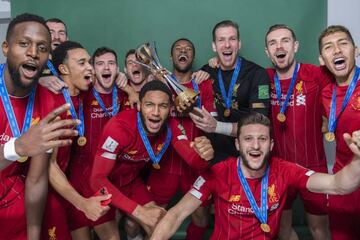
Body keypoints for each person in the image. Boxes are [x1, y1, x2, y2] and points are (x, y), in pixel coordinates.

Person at [151, 112, 360, 240]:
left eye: (262, 139)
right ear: (238, 144)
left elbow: (338, 185)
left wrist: (358, 159)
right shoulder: (218, 172)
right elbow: (175, 215)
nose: (255, 145)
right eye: (248, 139)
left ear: (271, 145)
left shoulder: (286, 170)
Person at [90, 80, 214, 237]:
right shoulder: (119, 127)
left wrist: (206, 154)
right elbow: (97, 180)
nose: (156, 112)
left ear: (170, 109)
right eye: (149, 105)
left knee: (158, 223)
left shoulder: (172, 126)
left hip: (131, 183)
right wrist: (139, 212)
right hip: (103, 185)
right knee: (114, 235)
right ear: (140, 105)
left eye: (162, 106)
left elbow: (194, 161)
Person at [0, 13, 79, 240]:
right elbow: (19, 149)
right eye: (24, 44)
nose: (33, 53)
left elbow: (36, 179)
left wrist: (32, 235)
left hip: (14, 202)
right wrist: (17, 148)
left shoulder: (50, 103)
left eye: (42, 47)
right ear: (6, 47)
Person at [265, 24, 331, 240]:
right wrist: (214, 64)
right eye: (273, 43)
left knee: (319, 229)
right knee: (282, 230)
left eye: (285, 40)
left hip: (313, 166)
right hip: (278, 169)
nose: (279, 46)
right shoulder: (261, 79)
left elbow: (345, 81)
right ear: (267, 52)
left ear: (295, 46)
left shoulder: (316, 74)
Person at [147, 38, 216, 240]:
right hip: (165, 162)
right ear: (171, 56)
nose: (183, 51)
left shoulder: (203, 84)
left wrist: (190, 109)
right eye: (178, 49)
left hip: (195, 164)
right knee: (154, 217)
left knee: (201, 218)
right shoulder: (158, 84)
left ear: (192, 57)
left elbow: (212, 121)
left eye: (187, 49)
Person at [41, 41, 111, 240]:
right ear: (63, 69)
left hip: (65, 185)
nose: (89, 67)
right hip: (44, 190)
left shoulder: (79, 96)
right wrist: (82, 203)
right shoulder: (53, 103)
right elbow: (49, 166)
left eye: (89, 62)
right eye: (82, 63)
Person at [68, 46, 127, 240]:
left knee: (112, 237)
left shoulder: (125, 95)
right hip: (77, 176)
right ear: (93, 69)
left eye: (111, 63)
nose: (106, 68)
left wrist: (130, 89)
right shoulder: (83, 92)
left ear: (117, 68)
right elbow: (61, 84)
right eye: (100, 64)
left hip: (104, 178)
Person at [191, 20, 270, 161]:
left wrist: (217, 126)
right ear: (214, 46)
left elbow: (260, 122)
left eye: (232, 39)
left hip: (249, 156)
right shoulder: (207, 71)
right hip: (214, 159)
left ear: (239, 44)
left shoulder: (259, 74)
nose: (227, 44)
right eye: (221, 40)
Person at [319, 25, 360, 240]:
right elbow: (327, 123)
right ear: (322, 59)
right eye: (329, 47)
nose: (336, 50)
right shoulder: (326, 93)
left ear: (356, 50)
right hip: (343, 179)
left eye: (343, 43)